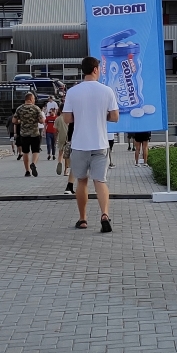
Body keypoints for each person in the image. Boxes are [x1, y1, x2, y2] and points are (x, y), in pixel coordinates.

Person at [62, 56, 119, 232]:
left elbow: (67, 118)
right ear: (95, 69)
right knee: (100, 181)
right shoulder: (107, 91)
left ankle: (83, 219)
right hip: (100, 143)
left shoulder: (73, 92)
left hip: (80, 144)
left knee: (82, 181)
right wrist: (103, 116)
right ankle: (104, 214)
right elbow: (115, 117)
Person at [13, 92, 44, 177]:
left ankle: (27, 171)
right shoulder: (36, 108)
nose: (34, 100)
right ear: (30, 99)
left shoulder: (19, 108)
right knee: (36, 151)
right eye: (34, 98)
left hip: (24, 134)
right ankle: (33, 163)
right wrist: (36, 120)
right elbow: (42, 121)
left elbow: (14, 121)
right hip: (34, 133)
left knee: (25, 152)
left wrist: (20, 121)